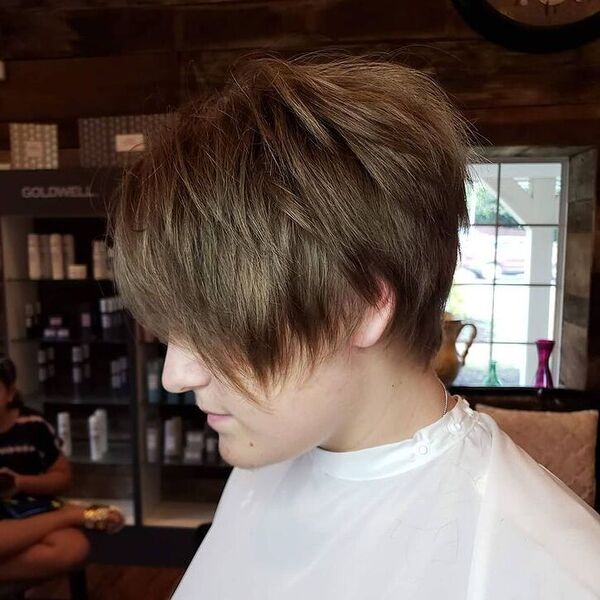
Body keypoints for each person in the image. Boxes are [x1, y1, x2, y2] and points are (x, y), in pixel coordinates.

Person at [109, 55, 600, 599]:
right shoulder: (273, 452)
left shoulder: (550, 571)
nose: (174, 376)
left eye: (214, 325)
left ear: (362, 305)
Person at [0, 355, 124, 583]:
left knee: (73, 547)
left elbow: (63, 478)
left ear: (9, 393)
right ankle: (70, 516)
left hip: (32, 508)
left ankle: (65, 517)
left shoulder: (33, 426)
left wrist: (20, 483)